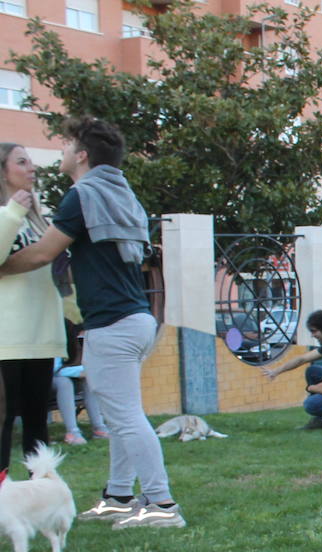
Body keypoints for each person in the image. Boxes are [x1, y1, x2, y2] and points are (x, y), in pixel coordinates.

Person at [0, 118, 184, 529]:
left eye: (67, 144)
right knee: (123, 413)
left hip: (113, 324)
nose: (61, 151)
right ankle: (119, 496)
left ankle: (162, 504)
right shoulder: (119, 192)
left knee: (126, 418)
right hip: (135, 318)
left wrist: (2, 269)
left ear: (82, 155)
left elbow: (42, 253)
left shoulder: (82, 195)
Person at [0, 143, 66, 475]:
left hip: (41, 336)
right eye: (22, 162)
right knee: (3, 422)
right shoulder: (6, 214)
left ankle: (42, 499)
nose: (31, 168)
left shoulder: (40, 221)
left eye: (31, 162)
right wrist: (11, 212)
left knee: (38, 424)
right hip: (6, 341)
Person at [53, 319, 110, 445]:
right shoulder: (53, 339)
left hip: (65, 376)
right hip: (46, 381)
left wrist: (85, 371)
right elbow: (54, 369)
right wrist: (79, 371)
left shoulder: (73, 340)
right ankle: (72, 432)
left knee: (88, 379)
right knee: (64, 382)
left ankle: (99, 427)